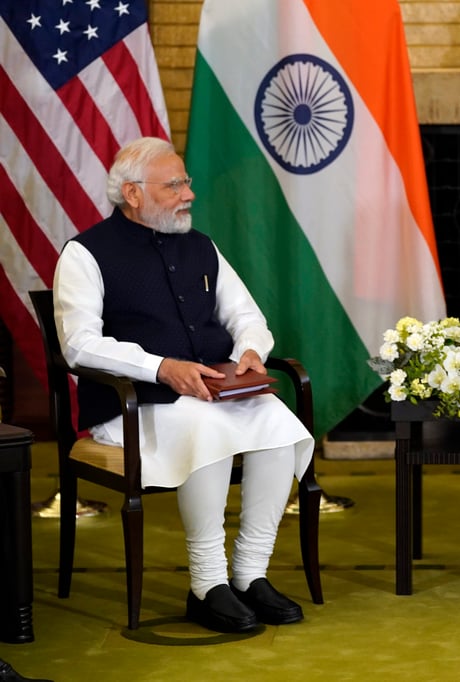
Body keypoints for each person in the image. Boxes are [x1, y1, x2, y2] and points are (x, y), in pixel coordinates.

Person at [53, 137, 315, 634]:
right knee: (207, 429)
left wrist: (249, 355)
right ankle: (207, 586)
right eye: (174, 185)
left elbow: (247, 317)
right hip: (130, 406)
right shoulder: (85, 253)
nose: (188, 193)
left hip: (210, 394)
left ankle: (249, 576)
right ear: (133, 193)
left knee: (280, 424)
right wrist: (162, 367)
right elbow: (79, 346)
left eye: (186, 182)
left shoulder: (201, 246)